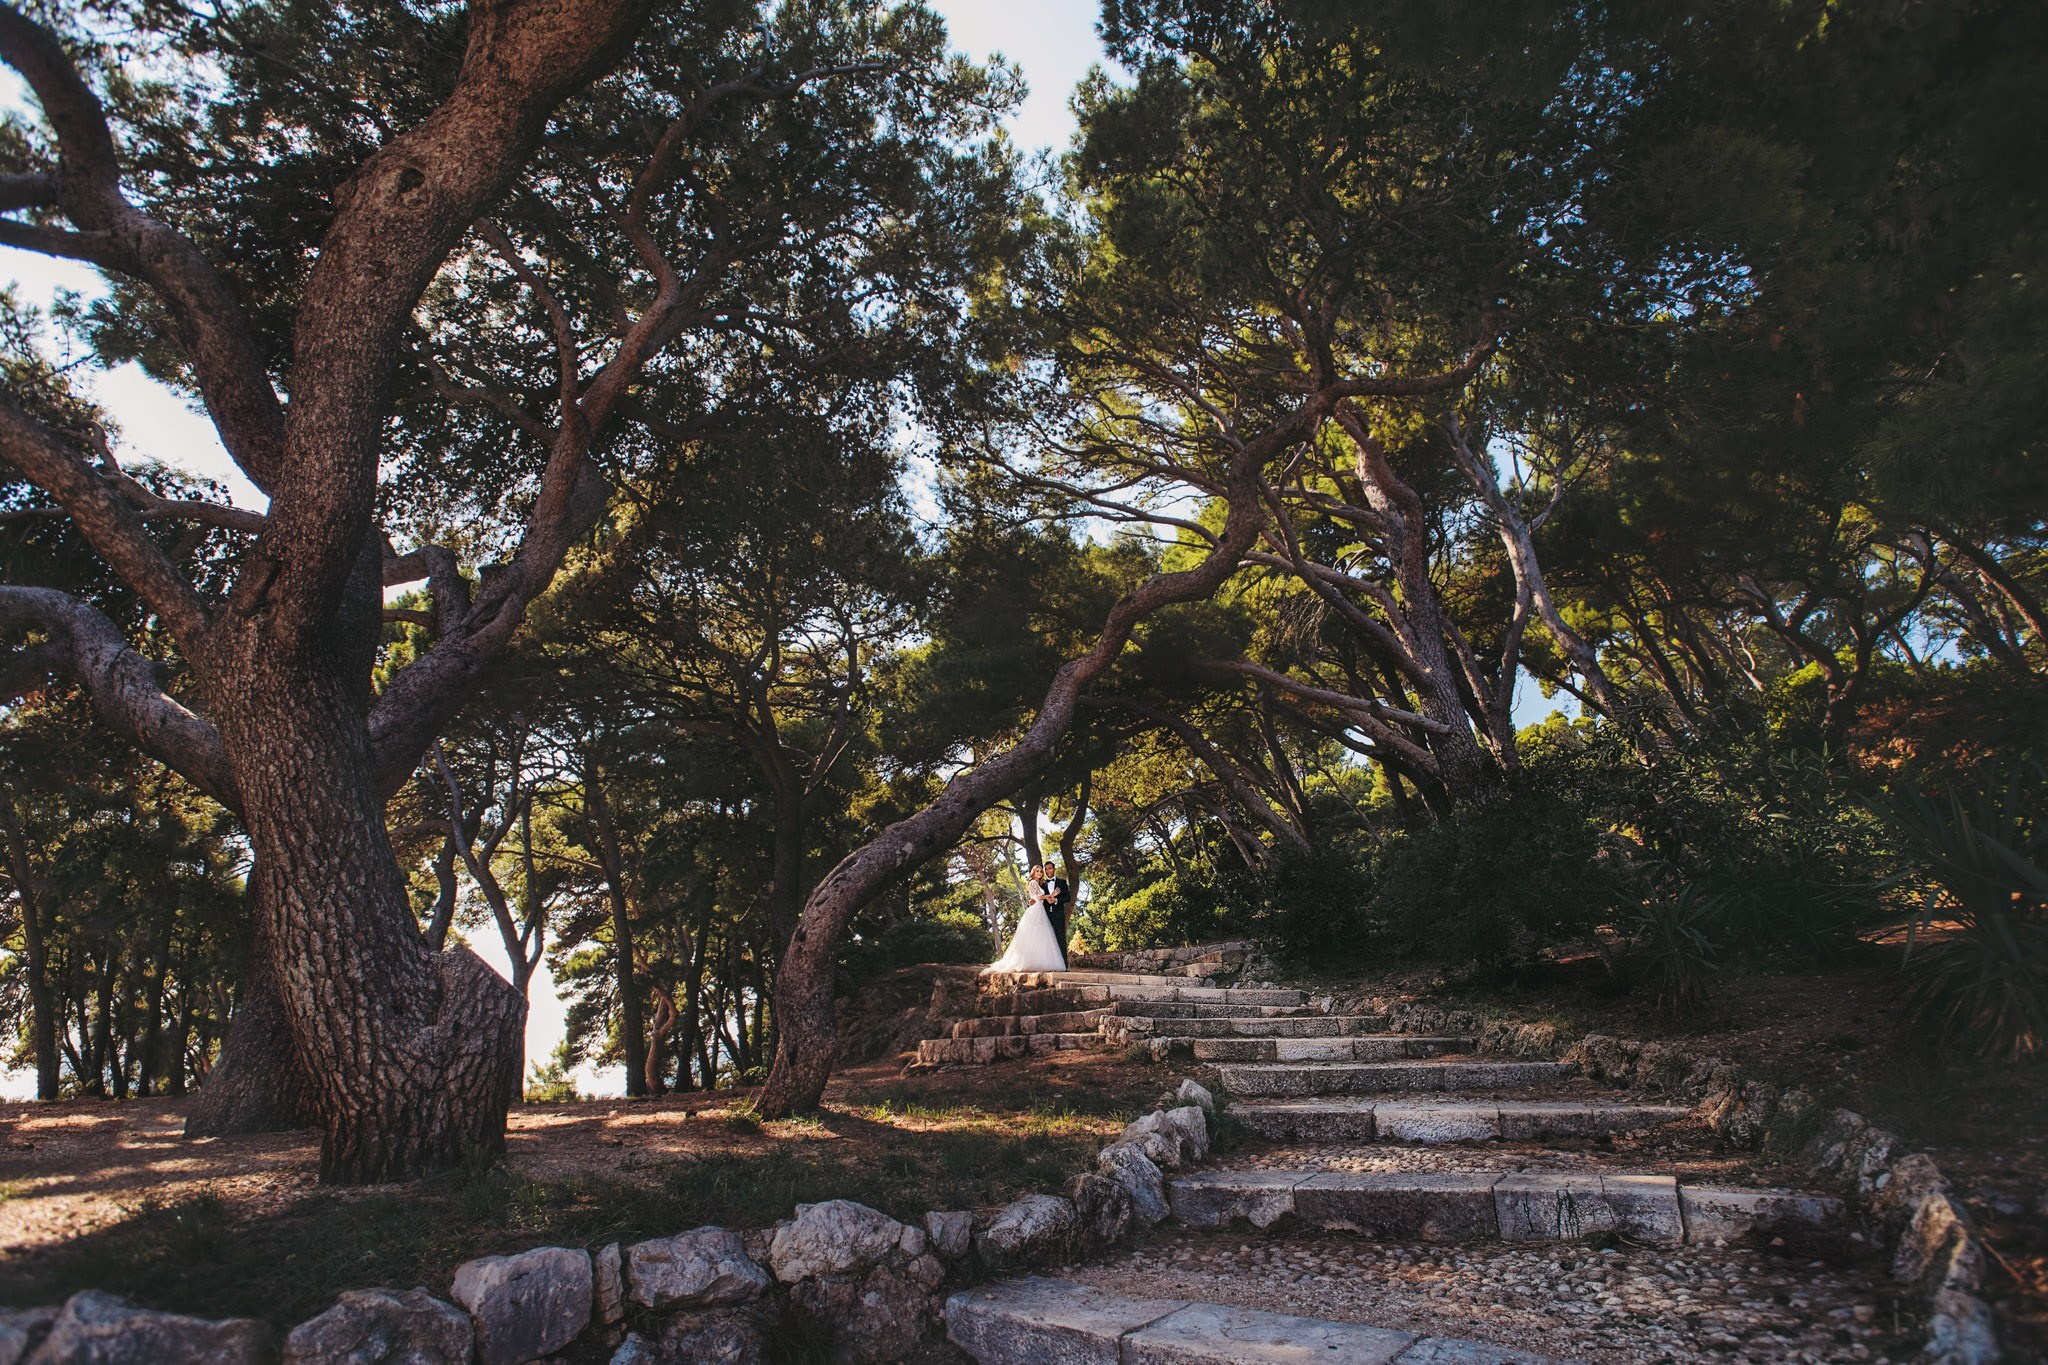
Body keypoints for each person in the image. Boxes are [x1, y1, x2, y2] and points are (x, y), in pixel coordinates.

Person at [985, 863, 1067, 973]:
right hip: (1036, 910)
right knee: (1032, 936)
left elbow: (1063, 897)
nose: (1040, 873)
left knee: (1043, 937)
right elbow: (1037, 897)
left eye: (1041, 871)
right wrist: (1052, 895)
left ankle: (1043, 962)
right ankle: (1028, 961)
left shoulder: (1043, 883)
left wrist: (1052, 898)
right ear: (1033, 872)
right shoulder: (1033, 882)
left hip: (1044, 911)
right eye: (1038, 871)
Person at [1039, 862, 1072, 954]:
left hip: (1059, 915)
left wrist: (1056, 900)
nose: (1047, 871)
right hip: (1046, 915)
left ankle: (1064, 962)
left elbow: (1068, 898)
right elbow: (1039, 897)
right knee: (1047, 940)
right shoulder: (1042, 885)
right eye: (1046, 869)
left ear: (1054, 869)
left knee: (1061, 938)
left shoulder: (1062, 882)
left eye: (1049, 868)